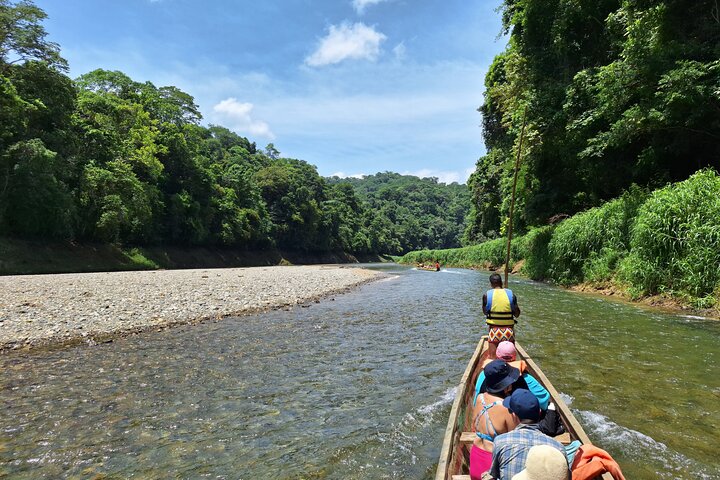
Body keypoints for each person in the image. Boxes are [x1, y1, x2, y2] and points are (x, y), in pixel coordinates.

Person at [487, 389, 568, 480]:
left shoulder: (500, 441)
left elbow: (494, 474)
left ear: (514, 415)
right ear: (539, 412)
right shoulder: (558, 448)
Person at [470, 360, 522, 480]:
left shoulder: (479, 398)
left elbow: (474, 424)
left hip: (476, 458)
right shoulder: (505, 408)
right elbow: (514, 439)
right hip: (492, 465)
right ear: (506, 385)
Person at [483, 273, 520, 358]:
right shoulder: (511, 295)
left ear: (491, 284)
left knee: (492, 359)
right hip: (508, 332)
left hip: (494, 331)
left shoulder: (486, 295)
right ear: (501, 282)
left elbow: (485, 312)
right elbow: (517, 314)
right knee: (510, 360)